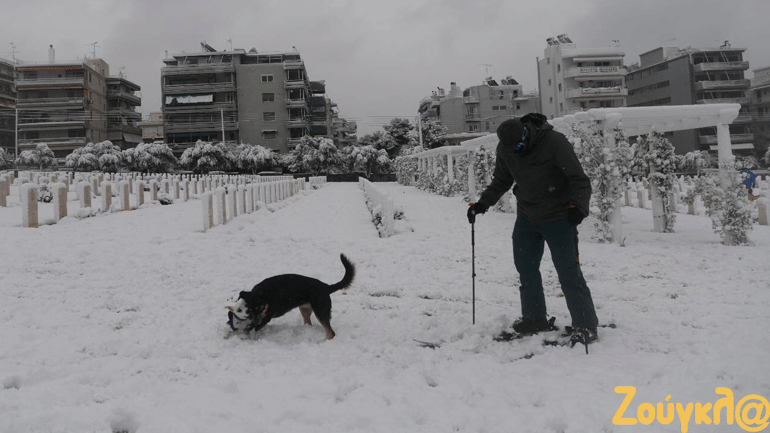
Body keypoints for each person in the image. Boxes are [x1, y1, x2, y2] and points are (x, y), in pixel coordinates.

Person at [467, 113, 599, 346]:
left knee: (568, 272)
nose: (515, 151)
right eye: (510, 148)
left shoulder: (554, 142)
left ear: (526, 134)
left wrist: (579, 207)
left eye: (518, 145)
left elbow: (579, 179)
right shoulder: (506, 148)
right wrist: (482, 204)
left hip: (559, 217)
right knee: (526, 268)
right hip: (527, 216)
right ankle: (534, 318)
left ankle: (586, 325)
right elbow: (501, 180)